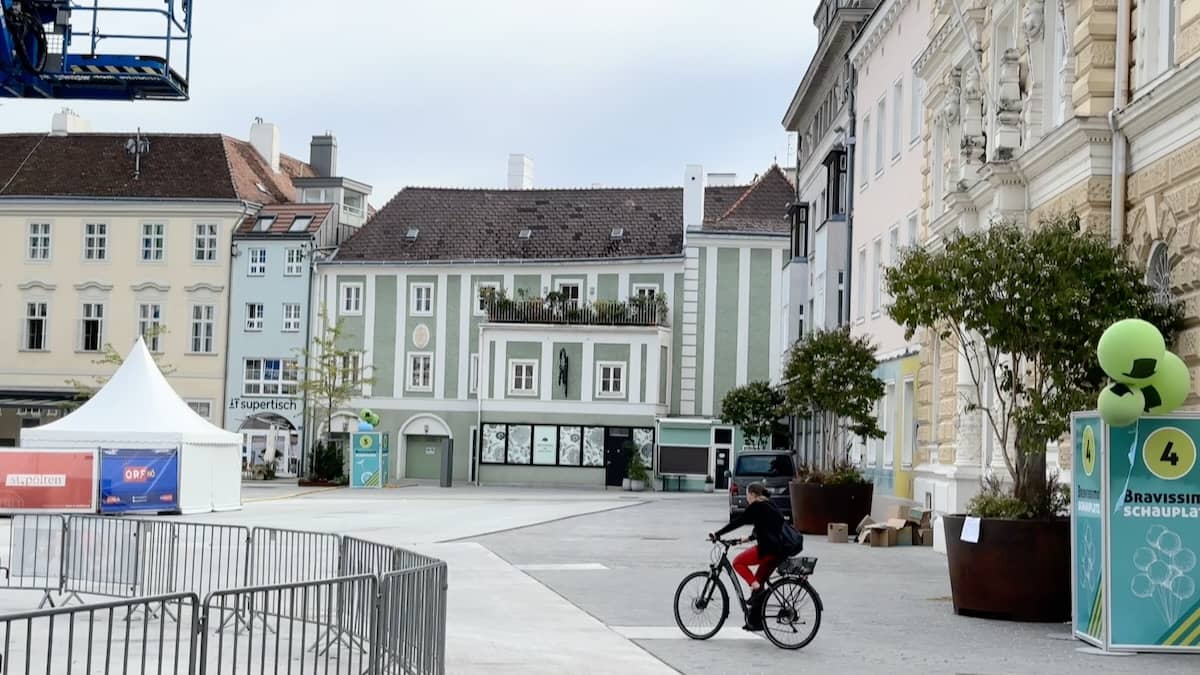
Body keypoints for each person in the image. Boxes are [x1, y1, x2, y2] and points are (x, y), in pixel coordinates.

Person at [708, 481, 797, 631]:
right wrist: (746, 539)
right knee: (759, 584)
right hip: (778, 551)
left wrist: (718, 534)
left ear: (753, 495)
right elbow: (767, 527)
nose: (747, 498)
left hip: (768, 550)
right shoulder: (769, 505)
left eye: (747, 495)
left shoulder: (757, 506)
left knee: (738, 562)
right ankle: (755, 622)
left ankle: (754, 586)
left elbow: (739, 521)